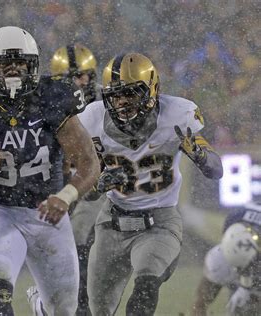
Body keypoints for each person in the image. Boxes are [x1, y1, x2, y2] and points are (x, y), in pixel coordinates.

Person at [0, 26, 100, 316]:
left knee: (64, 309)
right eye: (4, 65)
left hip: (48, 212)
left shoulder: (53, 96)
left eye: (21, 64)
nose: (13, 71)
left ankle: (41, 307)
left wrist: (66, 196)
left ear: (34, 66)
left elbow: (89, 163)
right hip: (0, 212)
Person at [78, 52, 224, 315]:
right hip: (111, 223)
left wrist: (201, 157)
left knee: (144, 289)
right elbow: (85, 194)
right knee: (96, 308)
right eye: (116, 95)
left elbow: (216, 170)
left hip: (159, 223)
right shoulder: (92, 120)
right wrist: (99, 184)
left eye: (131, 93)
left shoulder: (178, 115)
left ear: (152, 88)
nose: (122, 102)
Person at [27, 43, 102, 316]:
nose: (82, 81)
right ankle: (50, 299)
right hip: (61, 186)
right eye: (74, 76)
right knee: (74, 247)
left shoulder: (104, 107)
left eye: (86, 75)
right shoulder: (49, 105)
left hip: (94, 185)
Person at [192, 203, 260, 316]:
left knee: (249, 308)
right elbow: (200, 305)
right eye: (240, 268)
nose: (245, 272)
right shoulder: (219, 259)